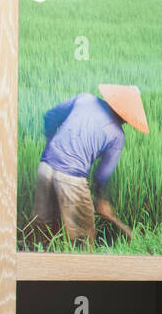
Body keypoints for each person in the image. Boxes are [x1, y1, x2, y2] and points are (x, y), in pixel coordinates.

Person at [32, 84, 148, 246]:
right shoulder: (117, 136)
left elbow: (50, 116)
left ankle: (41, 259)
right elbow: (101, 175)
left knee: (42, 226)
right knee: (84, 236)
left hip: (44, 168)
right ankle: (82, 268)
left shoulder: (84, 99)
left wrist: (52, 147)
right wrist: (101, 200)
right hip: (71, 179)